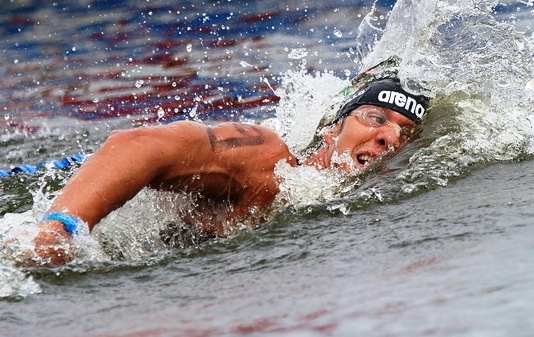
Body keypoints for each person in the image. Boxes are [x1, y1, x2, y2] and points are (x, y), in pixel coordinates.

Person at [30, 58, 430, 266]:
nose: (390, 136)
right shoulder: (269, 163)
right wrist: (57, 230)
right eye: (375, 118)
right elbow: (138, 144)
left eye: (406, 133)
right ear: (332, 130)